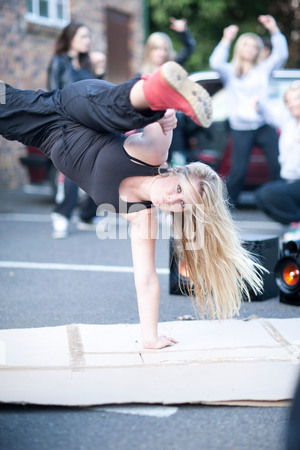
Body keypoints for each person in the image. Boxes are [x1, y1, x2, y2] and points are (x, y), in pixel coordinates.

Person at [0, 61, 264, 349]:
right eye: (178, 189)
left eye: (182, 204)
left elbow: (147, 278)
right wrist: (166, 113)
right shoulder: (154, 153)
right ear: (175, 171)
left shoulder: (142, 217)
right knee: (126, 113)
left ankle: (154, 97)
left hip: (47, 130)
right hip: (80, 106)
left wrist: (150, 338)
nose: (173, 200)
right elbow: (158, 124)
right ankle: (155, 91)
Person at [209, 15, 289, 206]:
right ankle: (227, 208)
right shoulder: (229, 71)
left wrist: (274, 30)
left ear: (258, 50)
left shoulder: (263, 69)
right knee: (238, 171)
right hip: (241, 128)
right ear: (240, 48)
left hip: (262, 125)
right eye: (247, 45)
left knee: (277, 164)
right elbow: (215, 62)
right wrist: (226, 39)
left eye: (255, 46)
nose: (251, 49)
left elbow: (282, 55)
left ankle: (280, 203)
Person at [48, 22, 106, 238]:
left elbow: (97, 92)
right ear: (71, 37)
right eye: (83, 36)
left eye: (88, 37)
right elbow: (54, 94)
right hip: (68, 124)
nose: (87, 41)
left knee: (98, 168)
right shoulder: (59, 62)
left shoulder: (86, 64)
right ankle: (61, 215)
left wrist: (100, 73)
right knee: (70, 171)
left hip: (90, 124)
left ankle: (87, 215)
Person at [142, 18, 196, 167]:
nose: (161, 53)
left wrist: (183, 32)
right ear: (149, 51)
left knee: (177, 165)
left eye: (164, 49)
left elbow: (189, 48)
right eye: (157, 48)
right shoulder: (142, 74)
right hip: (151, 126)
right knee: (154, 166)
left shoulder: (172, 68)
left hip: (173, 125)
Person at [255, 81, 300, 231]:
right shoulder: (288, 122)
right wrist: (259, 104)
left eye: (296, 99)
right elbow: (271, 115)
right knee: (262, 196)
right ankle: (295, 222)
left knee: (269, 193)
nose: (291, 104)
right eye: (288, 101)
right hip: (290, 180)